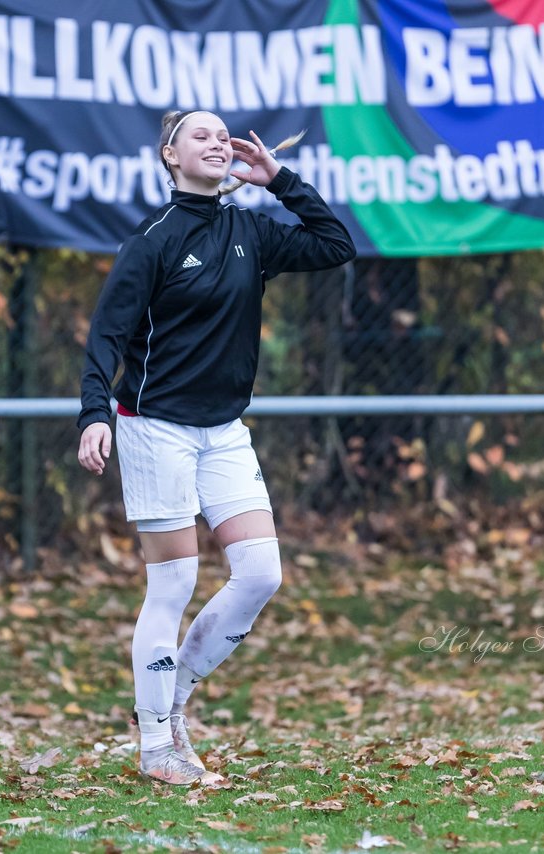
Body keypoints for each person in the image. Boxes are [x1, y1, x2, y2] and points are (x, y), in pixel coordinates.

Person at [76, 109, 355, 785]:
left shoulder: (251, 230)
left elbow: (334, 244)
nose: (215, 141)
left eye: (221, 134)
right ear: (171, 156)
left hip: (224, 431)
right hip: (155, 426)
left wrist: (280, 179)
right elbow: (106, 336)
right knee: (173, 582)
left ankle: (171, 702)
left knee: (261, 574)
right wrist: (94, 414)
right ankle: (155, 750)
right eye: (198, 134)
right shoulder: (154, 240)